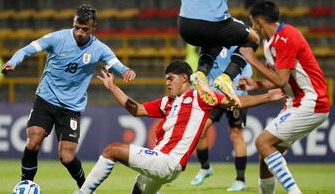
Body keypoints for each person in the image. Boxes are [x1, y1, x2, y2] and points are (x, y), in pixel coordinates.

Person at [76, 60, 284, 194]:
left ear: (185, 78)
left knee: (112, 150)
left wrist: (266, 96)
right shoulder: (167, 102)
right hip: (158, 159)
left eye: (170, 78)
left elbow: (234, 102)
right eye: (166, 79)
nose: (167, 83)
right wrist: (113, 87)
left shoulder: (200, 97)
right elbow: (136, 109)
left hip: (169, 161)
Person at [1, 4, 136, 188]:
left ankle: (85, 188)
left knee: (66, 157)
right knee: (33, 142)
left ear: (93, 28)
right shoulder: (58, 38)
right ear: (73, 24)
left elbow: (116, 64)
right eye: (77, 27)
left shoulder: (98, 48)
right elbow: (28, 49)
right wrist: (12, 62)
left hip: (71, 108)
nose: (80, 32)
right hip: (46, 99)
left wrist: (126, 71)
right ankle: (26, 185)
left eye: (85, 29)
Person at [239, 0, 330, 194]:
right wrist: (257, 85)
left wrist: (252, 60)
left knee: (262, 143)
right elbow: (281, 78)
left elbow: (280, 80)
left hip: (311, 102)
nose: (252, 27)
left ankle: (294, 192)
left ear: (258, 21)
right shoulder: (269, 43)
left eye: (252, 22)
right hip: (295, 103)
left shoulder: (287, 37)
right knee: (266, 155)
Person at [178, 0, 260, 107]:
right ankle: (227, 77)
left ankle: (200, 73)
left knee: (215, 38)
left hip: (184, 25)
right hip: (213, 22)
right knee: (253, 38)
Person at [191, 46, 252, 191]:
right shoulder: (208, 42)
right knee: (200, 130)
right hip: (213, 95)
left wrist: (243, 83)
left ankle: (240, 180)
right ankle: (205, 167)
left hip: (235, 94)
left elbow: (246, 65)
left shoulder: (237, 40)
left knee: (236, 134)